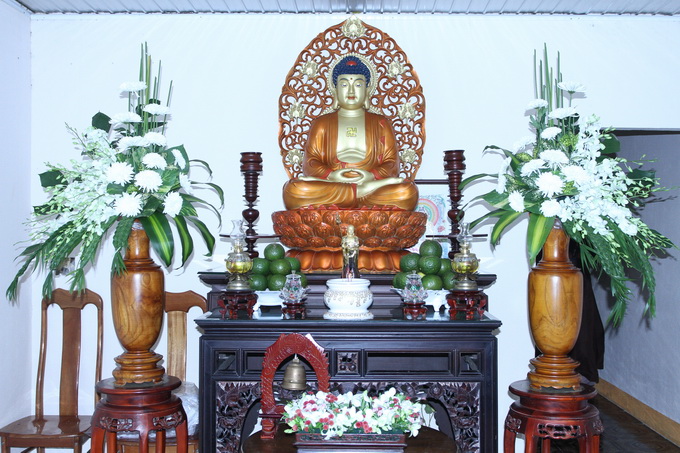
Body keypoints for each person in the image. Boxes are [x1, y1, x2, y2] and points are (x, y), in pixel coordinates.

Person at [282, 55, 418, 210]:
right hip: (334, 184)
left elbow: (392, 164)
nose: (351, 90)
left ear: (367, 90)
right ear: (335, 90)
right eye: (344, 84)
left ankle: (354, 193)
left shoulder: (381, 123)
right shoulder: (321, 123)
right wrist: (332, 175)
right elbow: (310, 163)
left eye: (358, 84)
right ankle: (358, 193)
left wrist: (371, 176)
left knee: (407, 191)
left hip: (371, 185)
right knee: (293, 190)